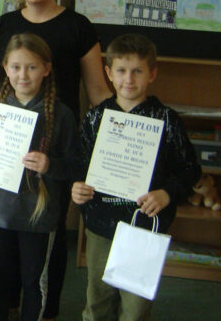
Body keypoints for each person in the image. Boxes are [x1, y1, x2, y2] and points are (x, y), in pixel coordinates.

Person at [0, 0, 112, 320]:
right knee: (4, 239)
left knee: (47, 235)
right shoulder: (4, 25)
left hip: (56, 142)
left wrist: (122, 129)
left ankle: (44, 311)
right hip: (8, 149)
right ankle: (8, 308)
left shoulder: (77, 25)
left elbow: (97, 91)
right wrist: (8, 122)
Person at [71, 33, 201, 321]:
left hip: (144, 225)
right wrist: (77, 186)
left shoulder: (166, 119)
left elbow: (190, 168)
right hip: (101, 223)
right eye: (121, 70)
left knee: (136, 308)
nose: (128, 79)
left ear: (152, 74)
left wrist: (166, 193)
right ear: (108, 73)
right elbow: (80, 164)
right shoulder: (96, 118)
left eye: (137, 71)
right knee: (97, 301)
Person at [0, 33, 79, 321]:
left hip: (38, 218)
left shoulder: (61, 115)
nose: (23, 75)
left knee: (34, 284)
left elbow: (75, 166)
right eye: (16, 67)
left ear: (46, 69)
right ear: (5, 67)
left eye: (31, 67)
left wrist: (49, 165)